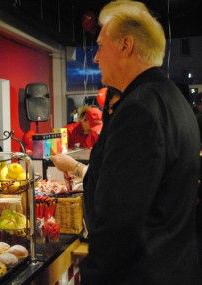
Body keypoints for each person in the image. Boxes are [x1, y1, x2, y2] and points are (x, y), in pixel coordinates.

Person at [53, 1, 200, 284]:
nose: (96, 57)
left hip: (141, 273)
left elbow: (118, 223)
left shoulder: (139, 109)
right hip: (173, 266)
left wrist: (92, 275)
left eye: (101, 45)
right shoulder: (173, 99)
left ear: (125, 45)